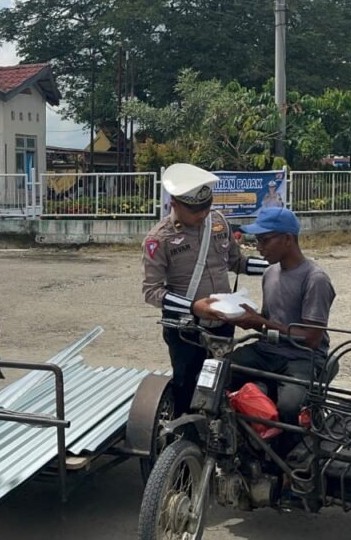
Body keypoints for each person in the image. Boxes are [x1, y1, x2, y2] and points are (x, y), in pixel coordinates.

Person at [143, 163, 269, 412]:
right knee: (187, 386)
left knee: (222, 382)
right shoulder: (159, 238)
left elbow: (237, 262)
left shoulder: (218, 222)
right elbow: (152, 291)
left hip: (222, 323)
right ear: (174, 204)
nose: (202, 214)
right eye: (194, 210)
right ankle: (186, 430)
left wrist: (275, 266)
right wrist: (193, 307)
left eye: (206, 206)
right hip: (186, 329)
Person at [193, 206, 336, 426]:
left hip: (301, 357)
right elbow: (269, 323)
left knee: (289, 407)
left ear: (287, 239)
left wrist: (261, 322)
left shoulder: (315, 279)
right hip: (267, 350)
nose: (259, 248)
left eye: (264, 240)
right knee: (209, 378)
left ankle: (287, 446)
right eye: (257, 241)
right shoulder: (270, 273)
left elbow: (311, 339)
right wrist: (249, 320)